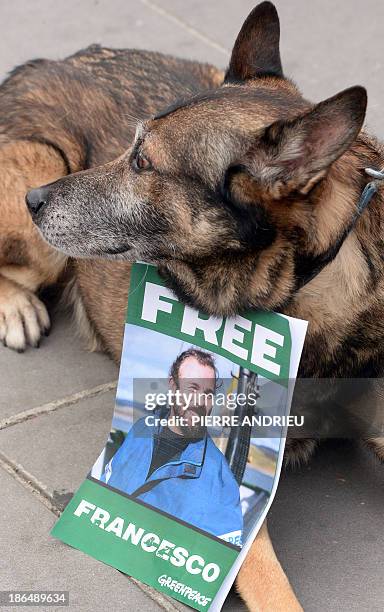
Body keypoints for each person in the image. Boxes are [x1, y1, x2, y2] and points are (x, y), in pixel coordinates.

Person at [101, 348, 243, 546]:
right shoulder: (141, 429)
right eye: (192, 388)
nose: (200, 401)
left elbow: (221, 552)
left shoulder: (219, 476)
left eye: (208, 394)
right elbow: (105, 487)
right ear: (173, 386)